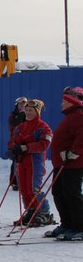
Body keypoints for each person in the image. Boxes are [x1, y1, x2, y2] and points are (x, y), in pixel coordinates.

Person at [45, 86, 83, 240]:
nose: (61, 104)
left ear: (72, 101)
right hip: (61, 163)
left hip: (73, 164)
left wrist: (72, 152)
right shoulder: (70, 116)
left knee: (71, 194)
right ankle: (67, 223)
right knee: (59, 193)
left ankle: (79, 227)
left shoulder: (78, 116)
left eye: (64, 101)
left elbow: (81, 137)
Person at [9, 98, 54, 226]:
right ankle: (31, 210)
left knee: (33, 189)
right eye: (27, 110)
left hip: (35, 162)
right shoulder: (20, 127)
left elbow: (45, 144)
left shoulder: (43, 127)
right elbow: (12, 140)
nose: (28, 113)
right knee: (23, 189)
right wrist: (14, 148)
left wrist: (26, 147)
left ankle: (44, 212)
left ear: (37, 112)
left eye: (31, 110)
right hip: (21, 161)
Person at [8, 97, 29, 190]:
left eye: (24, 104)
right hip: (15, 141)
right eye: (20, 104)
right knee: (16, 161)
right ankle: (14, 182)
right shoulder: (13, 115)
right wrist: (21, 114)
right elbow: (14, 125)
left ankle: (25, 181)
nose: (22, 106)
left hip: (25, 141)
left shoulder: (28, 114)